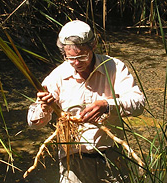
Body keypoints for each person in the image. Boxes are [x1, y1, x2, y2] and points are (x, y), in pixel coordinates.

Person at [27, 20, 145, 182]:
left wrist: (107, 105)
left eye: (82, 56)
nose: (76, 63)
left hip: (111, 157)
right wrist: (44, 107)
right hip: (73, 161)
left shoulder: (114, 67)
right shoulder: (57, 76)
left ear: (93, 45)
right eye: (70, 58)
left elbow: (138, 103)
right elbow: (34, 124)